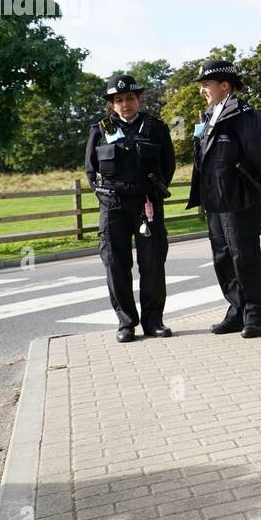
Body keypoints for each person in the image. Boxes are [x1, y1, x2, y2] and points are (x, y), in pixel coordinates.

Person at [84, 74, 176, 344]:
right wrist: (105, 196)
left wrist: (153, 192)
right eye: (119, 100)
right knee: (115, 264)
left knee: (152, 264)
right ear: (112, 104)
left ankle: (153, 321)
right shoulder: (100, 130)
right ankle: (126, 323)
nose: (126, 104)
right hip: (113, 206)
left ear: (139, 100)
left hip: (147, 204)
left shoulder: (156, 127)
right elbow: (91, 170)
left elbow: (167, 165)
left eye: (130, 99)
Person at [186, 60, 261, 339]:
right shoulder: (209, 115)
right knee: (222, 257)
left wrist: (251, 188)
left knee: (244, 256)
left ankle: (255, 314)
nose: (203, 91)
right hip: (214, 199)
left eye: (206, 85)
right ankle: (236, 310)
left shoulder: (245, 115)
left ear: (225, 85)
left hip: (238, 197)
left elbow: (260, 157)